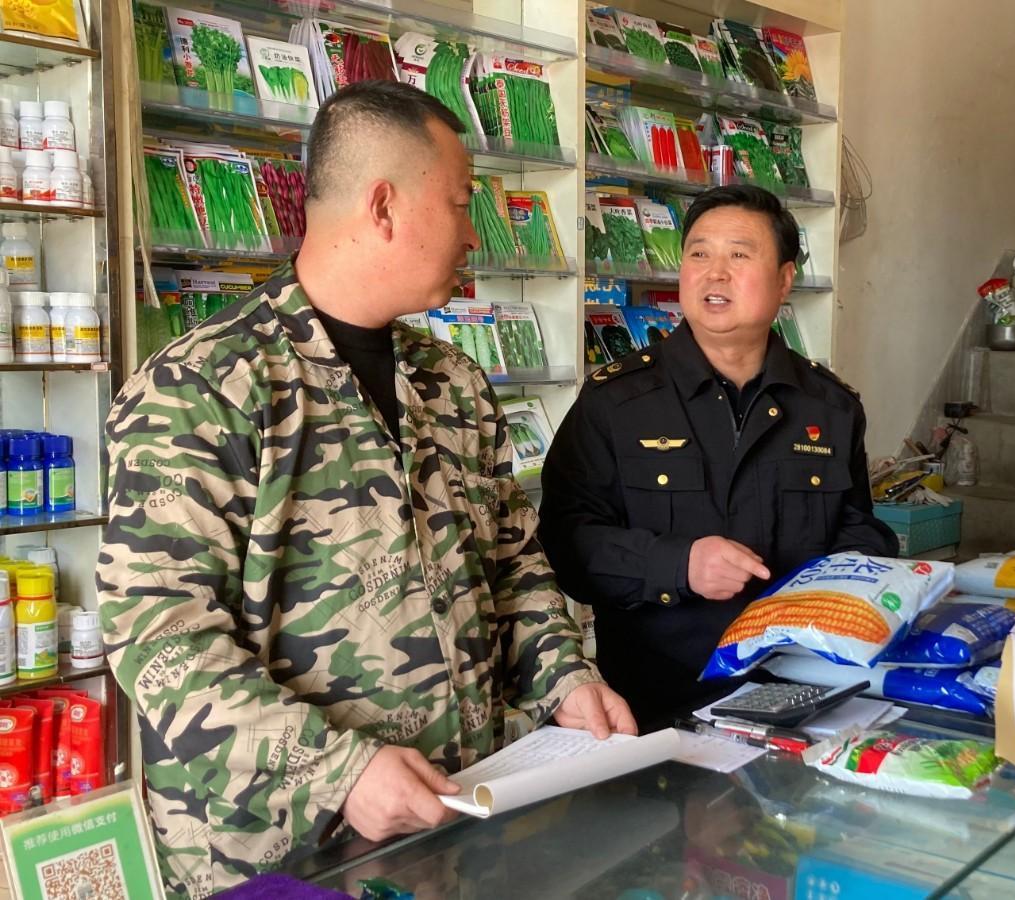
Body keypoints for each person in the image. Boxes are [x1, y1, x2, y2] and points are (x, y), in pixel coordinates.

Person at [97, 81, 635, 898]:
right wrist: (338, 770)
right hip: (284, 856)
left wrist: (567, 676)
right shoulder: (204, 385)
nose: (473, 233)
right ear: (384, 206)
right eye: (460, 203)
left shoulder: (451, 380)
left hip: (459, 824)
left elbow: (514, 564)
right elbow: (158, 637)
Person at [538, 184, 897, 727]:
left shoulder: (830, 406)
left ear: (784, 280)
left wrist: (850, 578)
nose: (715, 273)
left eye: (739, 255)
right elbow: (565, 542)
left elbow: (859, 531)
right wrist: (677, 565)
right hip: (657, 708)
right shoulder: (616, 402)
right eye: (699, 254)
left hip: (805, 697)